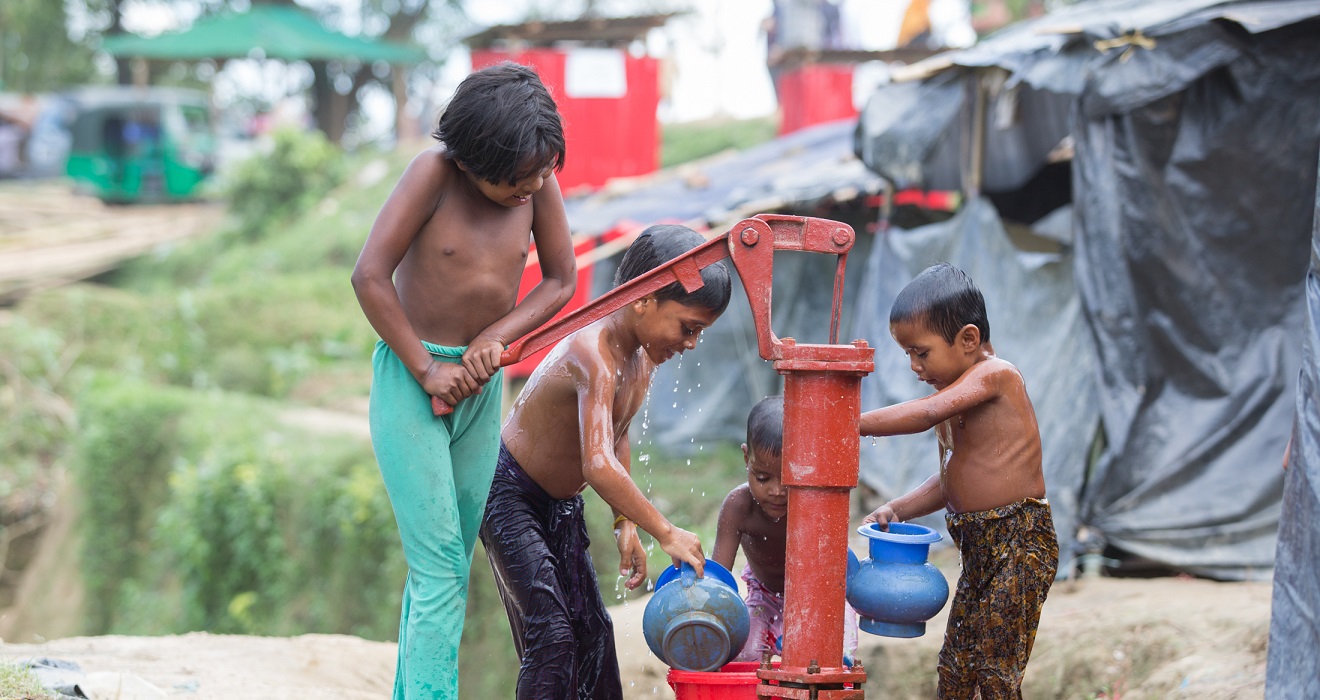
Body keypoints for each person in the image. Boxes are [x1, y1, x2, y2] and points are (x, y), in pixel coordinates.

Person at [350, 62, 578, 700]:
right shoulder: (433, 175)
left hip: (482, 389)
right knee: (440, 566)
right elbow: (369, 275)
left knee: (445, 567)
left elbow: (561, 280)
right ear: (473, 156)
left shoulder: (538, 184)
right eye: (516, 177)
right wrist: (427, 367)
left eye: (541, 173)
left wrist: (495, 338)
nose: (530, 186)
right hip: (411, 382)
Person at [481, 224, 732, 699]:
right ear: (644, 301)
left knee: (593, 633)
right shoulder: (592, 351)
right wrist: (666, 531)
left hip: (560, 504)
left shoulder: (640, 359)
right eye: (688, 327)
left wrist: (625, 523)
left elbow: (617, 437)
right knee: (551, 636)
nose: (691, 343)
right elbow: (596, 464)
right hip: (509, 494)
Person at [858, 262, 1058, 699]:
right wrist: (898, 508)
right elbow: (951, 479)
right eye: (907, 354)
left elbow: (925, 414)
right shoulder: (953, 397)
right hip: (981, 551)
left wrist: (850, 423)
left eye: (921, 352)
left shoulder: (994, 375)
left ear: (968, 339)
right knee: (956, 668)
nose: (913, 366)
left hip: (1020, 542)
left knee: (995, 668)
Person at [712, 395, 859, 665]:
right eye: (763, 478)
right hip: (763, 594)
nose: (777, 491)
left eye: (790, 479)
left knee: (837, 655)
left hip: (818, 596)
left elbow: (835, 565)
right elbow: (717, 579)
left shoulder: (817, 506)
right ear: (747, 457)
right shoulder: (739, 507)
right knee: (744, 656)